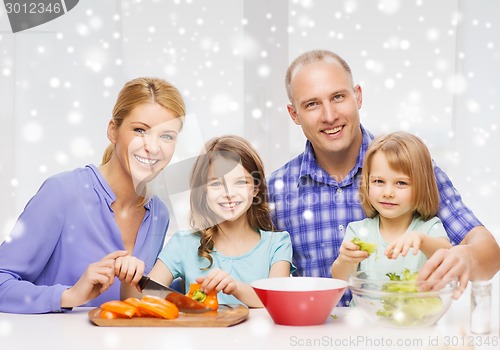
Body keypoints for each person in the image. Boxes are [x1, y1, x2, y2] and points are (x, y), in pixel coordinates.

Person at [267, 49, 499, 306]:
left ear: (358, 96)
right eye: (312, 104)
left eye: (338, 97)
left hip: (400, 334)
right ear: (293, 114)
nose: (329, 115)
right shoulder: (277, 190)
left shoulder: (411, 168)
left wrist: (467, 257)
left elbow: (489, 254)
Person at [0, 77, 186, 313]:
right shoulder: (62, 193)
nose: (153, 147)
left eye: (167, 136)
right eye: (140, 130)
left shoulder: (159, 213)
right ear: (113, 130)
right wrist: (69, 295)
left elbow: (142, 296)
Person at [120, 135, 294, 307]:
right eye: (216, 184)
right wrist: (129, 276)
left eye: (240, 182)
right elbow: (143, 301)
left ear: (255, 189)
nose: (228, 193)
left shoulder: (277, 244)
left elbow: (278, 300)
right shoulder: (183, 244)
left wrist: (234, 288)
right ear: (203, 192)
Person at [331, 132, 451, 281]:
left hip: (416, 305)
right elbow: (340, 279)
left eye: (401, 183)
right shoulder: (359, 231)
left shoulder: (429, 229)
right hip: (364, 305)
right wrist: (345, 260)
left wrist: (421, 240)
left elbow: (447, 256)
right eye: (378, 181)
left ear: (421, 186)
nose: (387, 193)